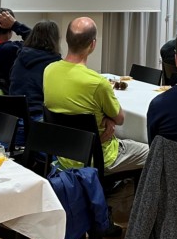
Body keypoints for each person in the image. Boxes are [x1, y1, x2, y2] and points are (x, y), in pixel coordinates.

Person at [44, 17, 149, 175]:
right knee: (152, 152)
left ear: (67, 40)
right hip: (98, 156)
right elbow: (120, 119)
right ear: (93, 44)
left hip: (64, 154)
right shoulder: (98, 83)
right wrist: (109, 119)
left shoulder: (49, 71)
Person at [8, 18, 62, 122]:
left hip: (13, 118)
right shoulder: (55, 62)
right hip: (37, 117)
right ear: (55, 39)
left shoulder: (20, 56)